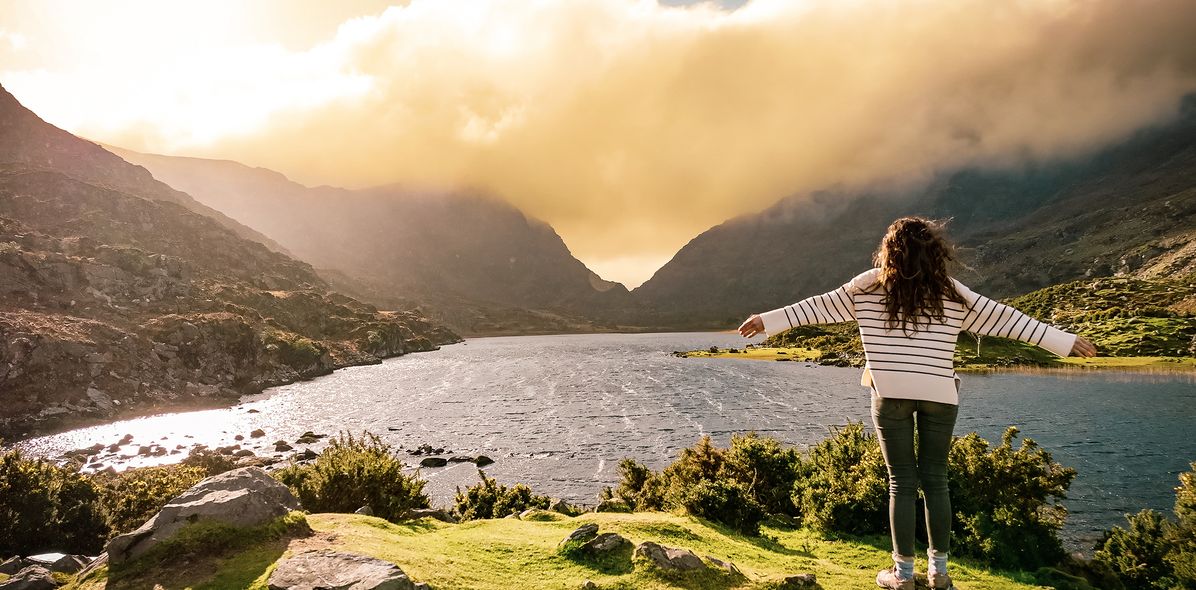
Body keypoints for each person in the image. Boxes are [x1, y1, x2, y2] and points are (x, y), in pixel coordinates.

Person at [737, 216, 1096, 590]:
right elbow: (1007, 319)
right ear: (935, 253)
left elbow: (815, 308)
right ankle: (939, 573)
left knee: (901, 483)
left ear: (888, 251)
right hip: (940, 394)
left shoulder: (865, 288)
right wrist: (1062, 341)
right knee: (936, 481)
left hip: (889, 394)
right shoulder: (953, 293)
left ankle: (903, 575)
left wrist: (768, 320)